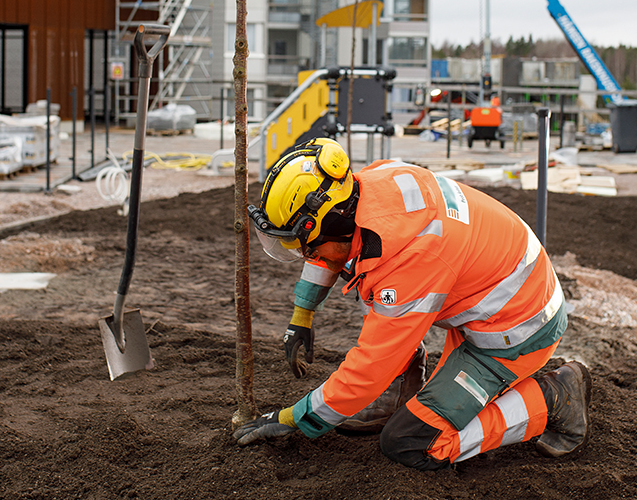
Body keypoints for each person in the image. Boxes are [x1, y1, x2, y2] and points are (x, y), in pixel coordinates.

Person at [234, 137, 591, 470]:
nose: (304, 256)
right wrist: (302, 313)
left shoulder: (408, 261)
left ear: (333, 222)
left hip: (516, 331)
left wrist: (291, 419)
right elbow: (330, 250)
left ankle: (554, 397)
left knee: (410, 442)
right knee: (362, 271)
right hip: (494, 294)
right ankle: (402, 384)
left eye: (305, 246)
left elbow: (367, 371)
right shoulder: (369, 183)